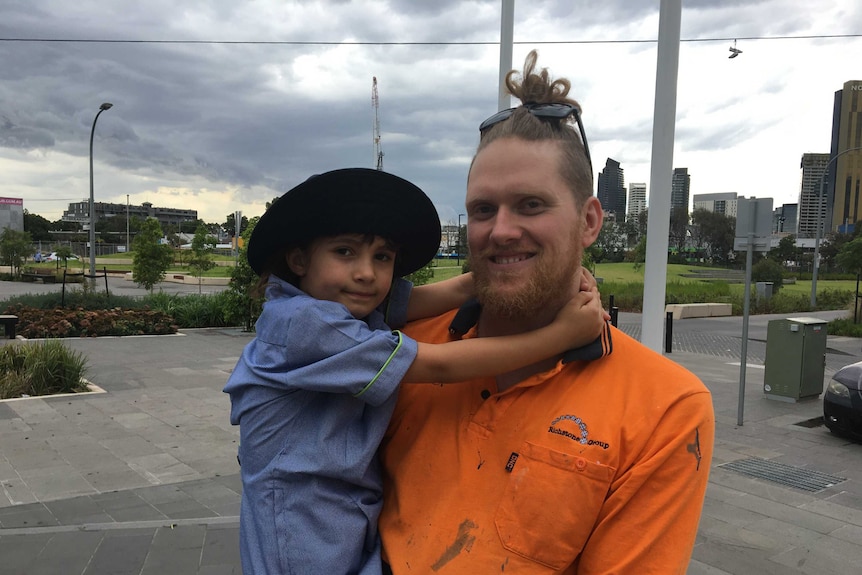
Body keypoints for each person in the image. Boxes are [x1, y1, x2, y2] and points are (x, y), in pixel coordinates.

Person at [379, 51, 715, 574]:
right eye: (482, 210)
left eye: (531, 205)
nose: (501, 230)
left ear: (589, 221)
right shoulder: (406, 345)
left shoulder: (665, 408)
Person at [223, 167, 608, 574]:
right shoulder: (305, 323)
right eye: (345, 252)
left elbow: (438, 295)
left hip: (337, 509)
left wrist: (507, 271)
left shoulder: (343, 306)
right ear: (299, 259)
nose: (366, 273)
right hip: (301, 522)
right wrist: (561, 335)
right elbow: (437, 363)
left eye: (383, 257)